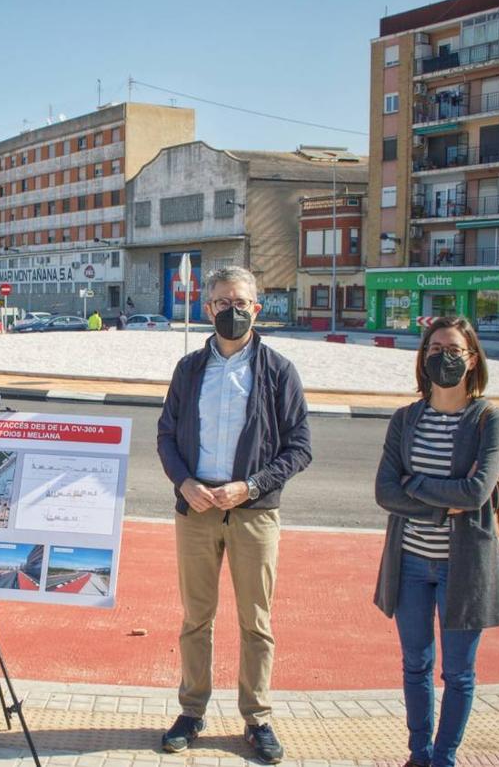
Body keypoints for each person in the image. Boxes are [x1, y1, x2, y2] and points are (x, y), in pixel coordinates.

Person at [156, 266, 313, 764]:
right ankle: (192, 709)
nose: (232, 310)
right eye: (222, 302)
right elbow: (165, 435)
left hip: (254, 513)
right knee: (196, 618)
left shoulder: (278, 370)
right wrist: (184, 482)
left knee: (256, 622)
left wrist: (252, 486)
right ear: (208, 309)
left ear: (256, 308)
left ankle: (257, 717)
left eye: (240, 301)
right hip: (196, 511)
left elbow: (300, 447)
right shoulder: (189, 370)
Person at [373, 315, 499, 767]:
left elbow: (476, 492)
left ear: (472, 360)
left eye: (453, 350)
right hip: (411, 561)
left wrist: (413, 482)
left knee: (458, 672)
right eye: (434, 350)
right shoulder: (406, 418)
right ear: (422, 357)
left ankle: (444, 758)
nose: (443, 358)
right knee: (415, 665)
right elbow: (384, 492)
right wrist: (436, 503)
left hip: (464, 565)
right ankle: (419, 753)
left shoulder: (488, 419)